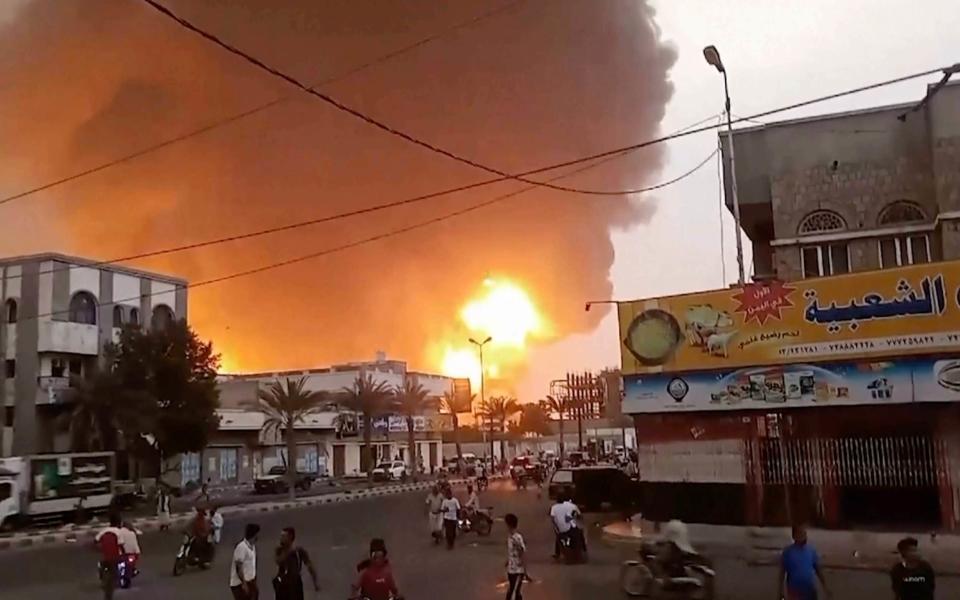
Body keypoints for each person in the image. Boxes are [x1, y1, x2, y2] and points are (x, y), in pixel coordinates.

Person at [777, 524, 830, 600]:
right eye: (801, 534)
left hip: (809, 590)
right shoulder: (788, 552)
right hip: (794, 591)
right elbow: (782, 573)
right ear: (794, 536)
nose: (804, 536)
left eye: (805, 534)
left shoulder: (811, 551)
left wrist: (825, 587)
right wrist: (780, 591)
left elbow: (818, 570)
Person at [273, 527, 319, 600]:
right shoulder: (279, 550)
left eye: (283, 536)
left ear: (290, 537)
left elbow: (310, 566)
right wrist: (289, 551)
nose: (281, 538)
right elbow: (278, 561)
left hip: (295, 583)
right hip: (283, 584)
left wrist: (315, 582)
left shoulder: (299, 551)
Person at [95, 513, 124, 600]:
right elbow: (121, 545)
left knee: (104, 565)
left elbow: (95, 541)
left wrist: (100, 549)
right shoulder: (119, 532)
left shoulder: (104, 530)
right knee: (114, 576)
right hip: (115, 558)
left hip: (104, 557)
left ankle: (102, 575)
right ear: (119, 522)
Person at [231, 523, 260, 600]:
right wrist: (244, 584)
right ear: (254, 535)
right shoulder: (241, 547)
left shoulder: (252, 546)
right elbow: (238, 567)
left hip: (250, 582)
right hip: (240, 584)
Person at [549, 494, 582, 558]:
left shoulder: (554, 507)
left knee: (558, 537)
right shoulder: (569, 506)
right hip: (569, 528)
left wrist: (556, 527)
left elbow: (552, 518)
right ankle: (578, 551)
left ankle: (557, 553)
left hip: (560, 529)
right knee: (578, 535)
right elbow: (571, 517)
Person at [504, 513, 527, 600]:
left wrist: (524, 568)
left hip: (518, 569)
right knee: (512, 589)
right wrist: (508, 561)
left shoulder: (516, 538)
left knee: (515, 590)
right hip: (511, 568)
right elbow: (512, 552)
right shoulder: (510, 537)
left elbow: (521, 551)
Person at [440, 485, 461, 550]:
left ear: (451, 494)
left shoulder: (455, 500)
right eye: (447, 494)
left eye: (449, 493)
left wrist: (458, 516)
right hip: (447, 518)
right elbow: (442, 509)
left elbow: (458, 508)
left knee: (453, 532)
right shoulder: (444, 501)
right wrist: (444, 510)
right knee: (448, 532)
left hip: (453, 518)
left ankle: (451, 543)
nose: (448, 495)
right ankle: (449, 544)